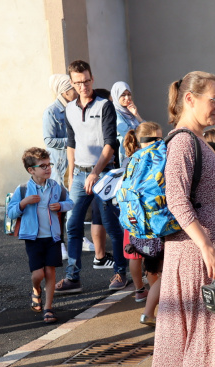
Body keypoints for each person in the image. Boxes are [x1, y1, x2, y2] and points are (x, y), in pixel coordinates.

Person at [142, 71, 215, 367]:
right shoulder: (183, 142)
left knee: (189, 323)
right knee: (203, 327)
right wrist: (208, 247)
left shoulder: (196, 139)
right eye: (214, 99)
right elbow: (176, 200)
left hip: (196, 249)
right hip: (197, 252)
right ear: (190, 100)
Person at [56, 60, 128, 295]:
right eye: (78, 82)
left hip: (103, 174)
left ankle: (120, 272)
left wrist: (96, 173)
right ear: (72, 83)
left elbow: (110, 143)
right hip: (79, 174)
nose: (83, 86)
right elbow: (71, 143)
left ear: (92, 78)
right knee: (73, 225)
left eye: (86, 80)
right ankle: (73, 277)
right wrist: (71, 174)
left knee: (111, 225)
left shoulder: (104, 105)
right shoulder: (69, 109)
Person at [7, 148, 73, 324]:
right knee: (38, 274)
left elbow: (70, 202)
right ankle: (36, 290)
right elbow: (11, 212)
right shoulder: (22, 189)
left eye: (48, 164)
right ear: (31, 170)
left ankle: (48, 308)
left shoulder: (56, 186)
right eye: (42, 166)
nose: (47, 168)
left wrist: (60, 205)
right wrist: (24, 202)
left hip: (52, 237)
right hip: (32, 238)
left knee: (50, 271)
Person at [121, 122, 165, 307]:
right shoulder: (155, 158)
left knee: (150, 265)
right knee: (162, 268)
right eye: (159, 139)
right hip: (157, 221)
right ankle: (159, 305)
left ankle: (152, 300)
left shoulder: (133, 159)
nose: (162, 143)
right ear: (149, 140)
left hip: (137, 223)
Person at [43, 74, 78, 185]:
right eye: (74, 89)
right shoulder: (51, 112)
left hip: (77, 162)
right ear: (66, 92)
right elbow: (49, 140)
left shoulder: (76, 108)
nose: (77, 92)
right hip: (61, 166)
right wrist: (71, 142)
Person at [112, 81, 144, 164]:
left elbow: (147, 131)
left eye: (129, 94)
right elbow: (128, 134)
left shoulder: (130, 112)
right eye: (123, 95)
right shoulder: (115, 113)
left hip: (140, 155)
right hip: (127, 158)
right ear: (116, 96)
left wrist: (136, 115)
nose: (127, 98)